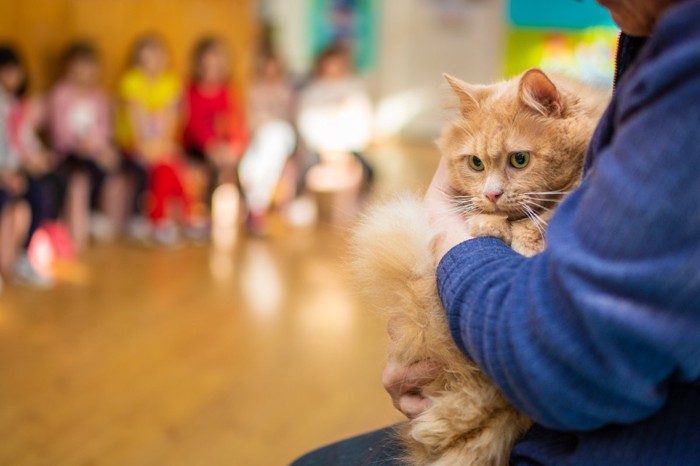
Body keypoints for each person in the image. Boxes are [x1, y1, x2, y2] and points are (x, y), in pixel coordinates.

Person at [292, 0, 700, 464]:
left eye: (519, 160)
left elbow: (567, 362)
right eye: (477, 165)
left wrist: (449, 229)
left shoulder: (687, 73)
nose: (491, 191)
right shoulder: (653, 38)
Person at [116, 34, 192, 246]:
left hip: (160, 146)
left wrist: (164, 145)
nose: (151, 64)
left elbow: (172, 117)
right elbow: (135, 118)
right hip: (132, 145)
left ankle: (172, 218)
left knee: (170, 167)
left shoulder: (170, 83)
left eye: (156, 58)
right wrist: (147, 147)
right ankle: (165, 220)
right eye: (145, 59)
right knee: (164, 167)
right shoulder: (131, 81)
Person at [47, 42, 122, 248]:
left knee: (114, 167)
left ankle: (102, 223)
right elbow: (59, 133)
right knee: (79, 180)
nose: (82, 72)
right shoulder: (60, 94)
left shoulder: (99, 97)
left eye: (87, 67)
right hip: (67, 155)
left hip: (94, 153)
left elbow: (104, 130)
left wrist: (97, 147)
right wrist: (83, 145)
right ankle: (77, 234)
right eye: (77, 67)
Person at [297, 45, 373, 225]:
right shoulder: (312, 93)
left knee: (357, 171)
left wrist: (345, 148)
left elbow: (363, 125)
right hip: (319, 150)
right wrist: (326, 148)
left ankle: (346, 212)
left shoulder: (356, 92)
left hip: (348, 150)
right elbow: (307, 124)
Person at [0, 44, 53, 287]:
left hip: (12, 171)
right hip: (4, 174)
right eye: (6, 72)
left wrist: (37, 158)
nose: (11, 78)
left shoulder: (16, 106)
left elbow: (22, 141)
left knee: (40, 195)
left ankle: (24, 256)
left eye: (14, 72)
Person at [238, 51, 297, 234]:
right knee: (257, 161)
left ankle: (256, 206)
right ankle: (258, 204)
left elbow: (291, 121)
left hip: (282, 136)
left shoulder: (287, 90)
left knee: (275, 137)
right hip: (262, 140)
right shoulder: (253, 90)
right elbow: (251, 123)